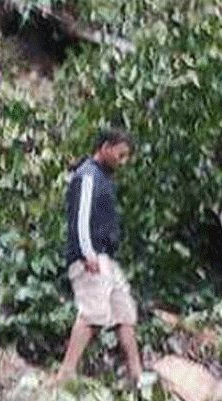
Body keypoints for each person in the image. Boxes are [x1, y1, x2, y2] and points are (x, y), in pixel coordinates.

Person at [56, 129, 142, 386]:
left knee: (125, 313)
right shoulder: (87, 176)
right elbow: (80, 218)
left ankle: (137, 375)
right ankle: (65, 374)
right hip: (90, 257)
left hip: (106, 258)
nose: (122, 161)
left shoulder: (103, 178)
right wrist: (87, 253)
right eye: (120, 154)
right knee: (92, 313)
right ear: (105, 147)